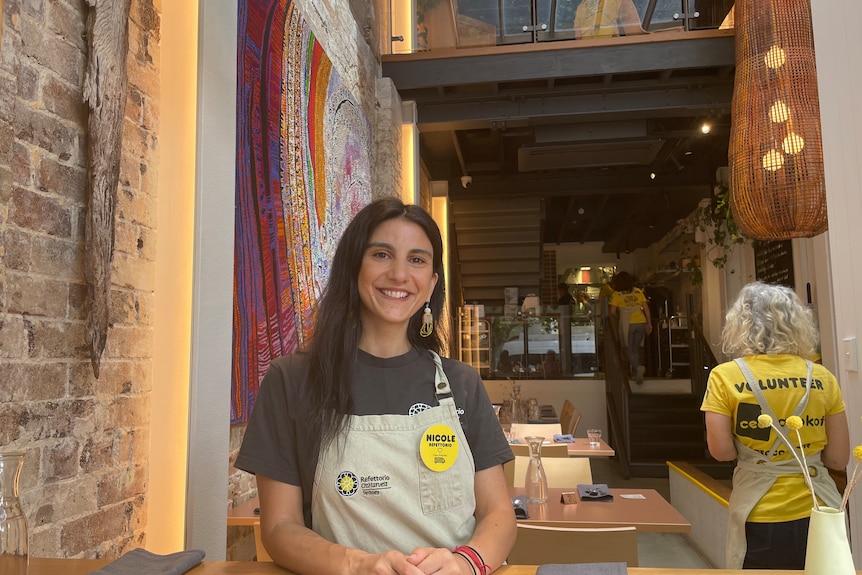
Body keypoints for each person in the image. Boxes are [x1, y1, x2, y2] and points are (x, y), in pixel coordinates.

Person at [235, 197, 516, 575]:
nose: (399, 275)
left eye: (417, 260)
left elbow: (498, 513)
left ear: (432, 284)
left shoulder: (461, 383)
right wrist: (359, 564)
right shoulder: (291, 380)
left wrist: (466, 563)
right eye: (382, 255)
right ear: (354, 268)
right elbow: (279, 527)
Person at [700, 282, 850, 570]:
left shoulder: (725, 377)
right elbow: (837, 458)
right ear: (798, 324)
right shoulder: (822, 377)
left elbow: (721, 452)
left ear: (741, 325)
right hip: (820, 510)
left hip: (760, 512)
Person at [608, 271, 651, 384]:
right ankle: (637, 373)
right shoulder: (638, 291)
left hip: (627, 323)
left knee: (628, 349)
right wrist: (649, 324)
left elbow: (612, 312)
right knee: (637, 348)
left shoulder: (616, 295)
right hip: (641, 322)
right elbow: (646, 308)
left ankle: (638, 368)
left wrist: (620, 316)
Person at [573, 0, 645, 40]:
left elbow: (633, 30)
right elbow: (578, 33)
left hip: (610, 45)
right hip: (588, 49)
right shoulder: (582, 5)